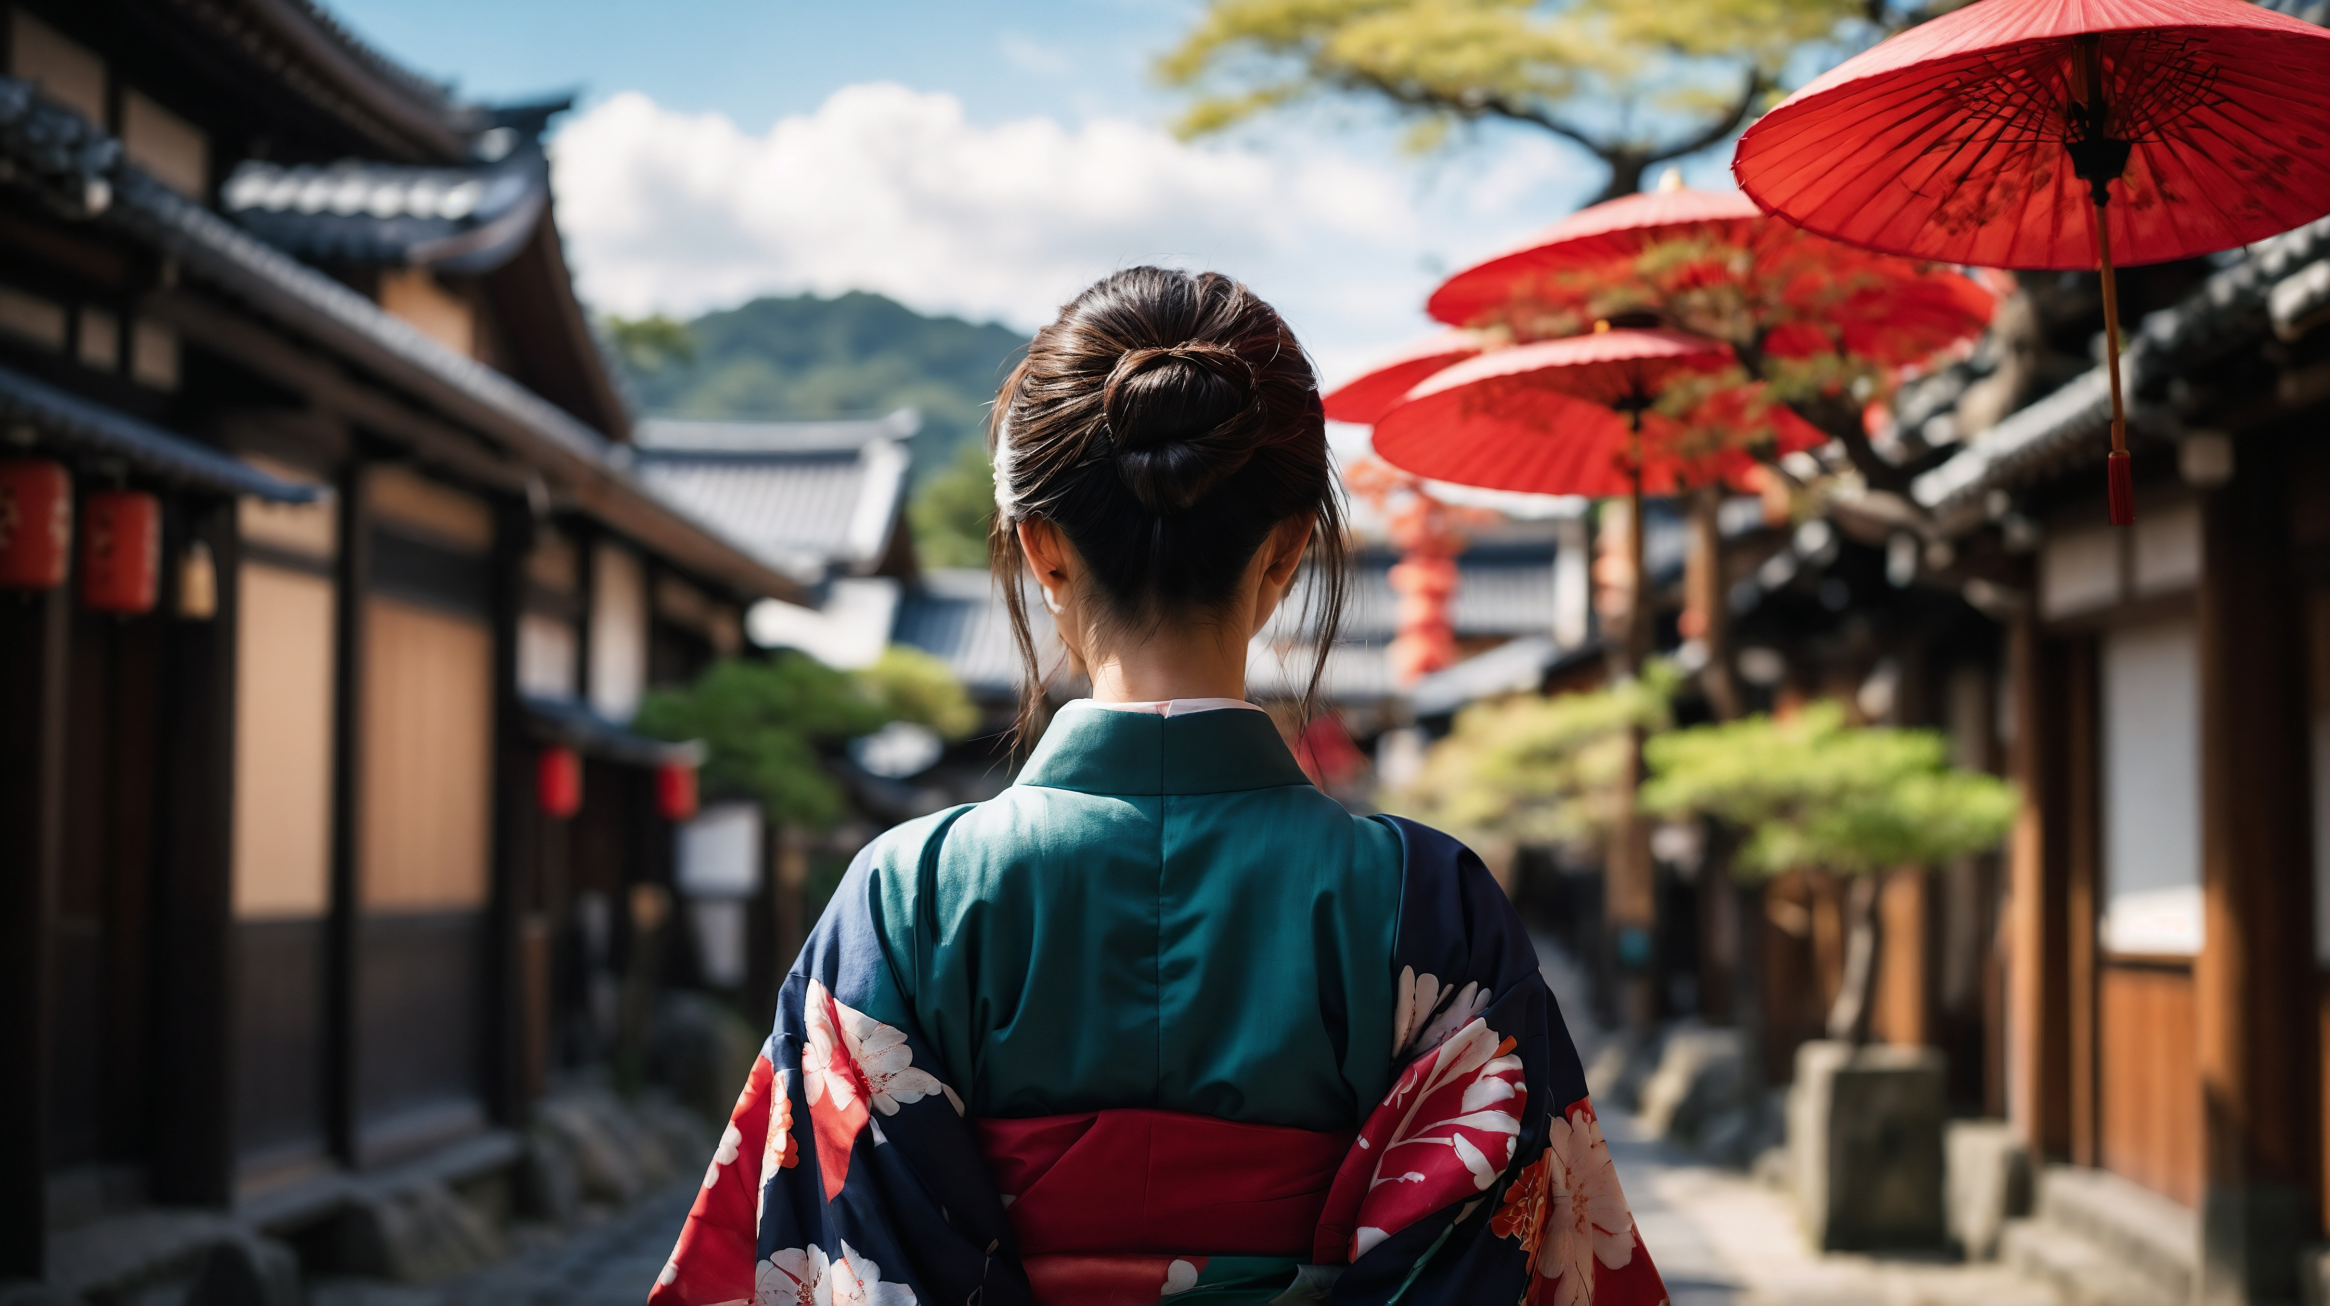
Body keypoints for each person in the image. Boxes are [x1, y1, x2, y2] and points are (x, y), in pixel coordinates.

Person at [649, 268, 1664, 1306]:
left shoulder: (901, 900)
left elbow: (840, 1255)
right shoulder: (1433, 904)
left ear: (1041, 551)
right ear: (1284, 554)